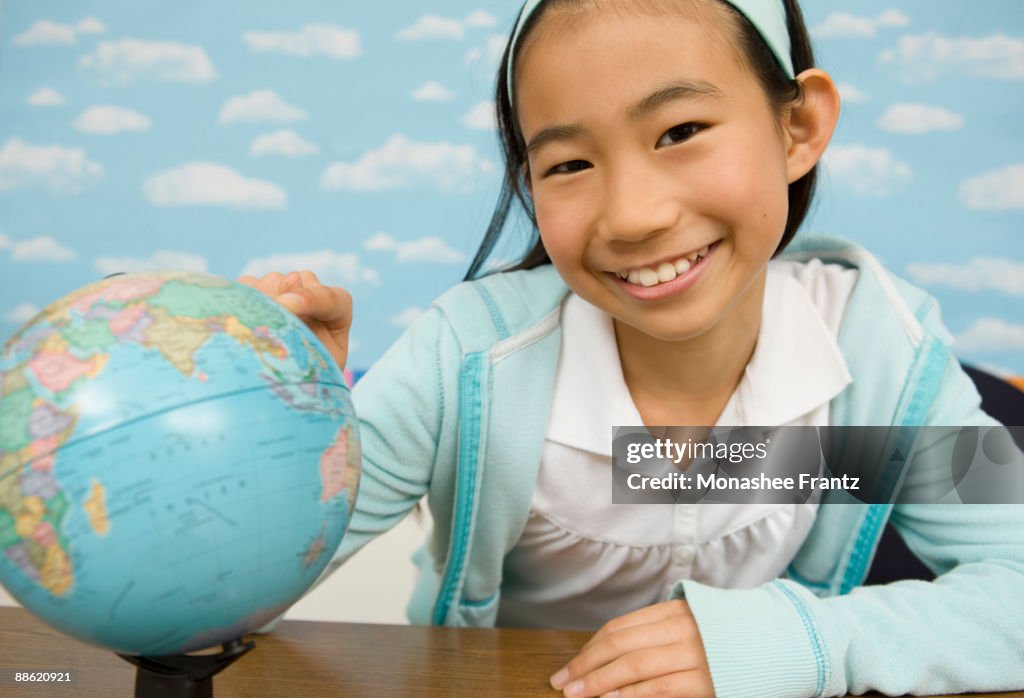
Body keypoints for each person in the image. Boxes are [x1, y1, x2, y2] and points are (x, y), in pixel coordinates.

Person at [240, 1, 1024, 696]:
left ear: (799, 127)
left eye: (680, 131)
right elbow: (219, 600)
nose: (633, 215)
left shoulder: (883, 348)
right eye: (569, 163)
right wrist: (296, 427)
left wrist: (799, 646)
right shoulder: (465, 361)